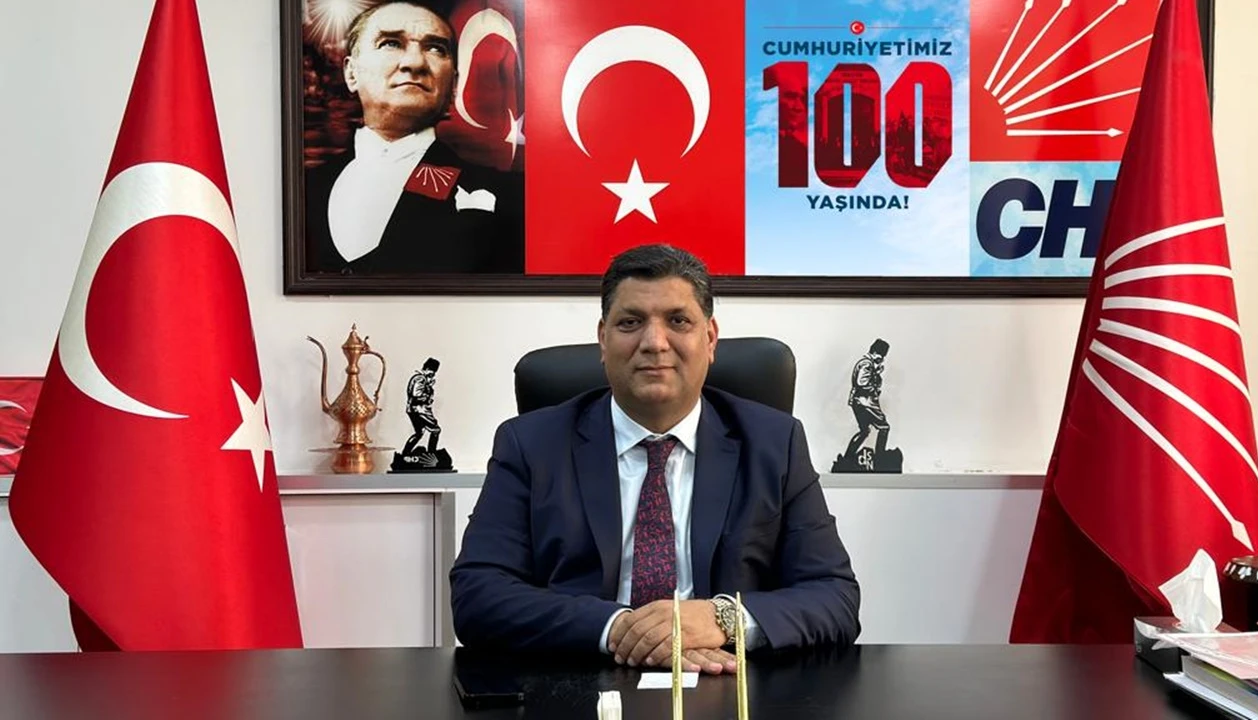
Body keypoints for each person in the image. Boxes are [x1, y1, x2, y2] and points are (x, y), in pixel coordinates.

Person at [450, 244, 860, 674]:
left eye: (678, 321)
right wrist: (619, 629)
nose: (654, 343)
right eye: (630, 322)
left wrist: (721, 618)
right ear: (603, 339)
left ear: (710, 338)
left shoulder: (774, 442)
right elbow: (478, 593)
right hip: (579, 677)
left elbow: (835, 596)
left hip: (726, 680)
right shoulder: (531, 444)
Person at [304, 1, 523, 275]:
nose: (415, 63)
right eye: (390, 43)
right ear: (351, 73)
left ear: (454, 84)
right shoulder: (305, 188)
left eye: (436, 49)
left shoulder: (508, 196)